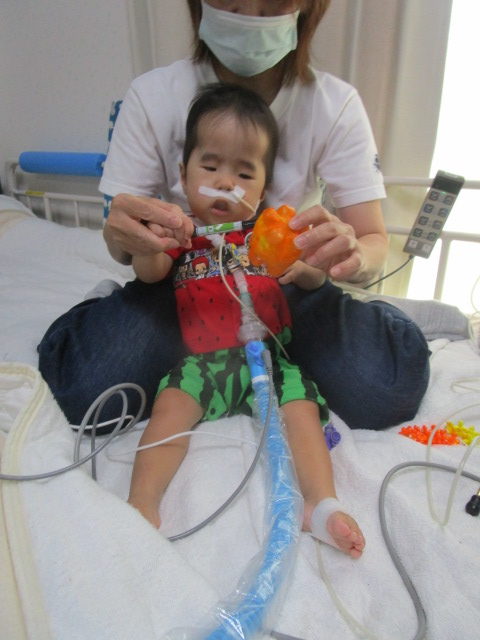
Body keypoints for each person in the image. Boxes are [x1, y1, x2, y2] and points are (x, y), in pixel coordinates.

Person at [38, 0, 429, 430]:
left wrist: (351, 257)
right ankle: (98, 308)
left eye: (270, 6)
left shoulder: (334, 104)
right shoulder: (152, 95)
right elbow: (129, 242)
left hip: (281, 281)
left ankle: (384, 319)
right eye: (234, 3)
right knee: (89, 392)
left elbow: (372, 241)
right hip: (184, 277)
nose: (250, 18)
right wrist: (130, 240)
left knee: (382, 390)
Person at [127, 82, 365, 557]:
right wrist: (151, 241)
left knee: (301, 412)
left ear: (263, 188)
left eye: (243, 173)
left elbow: (310, 278)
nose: (224, 183)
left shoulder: (269, 234)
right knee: (170, 409)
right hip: (204, 365)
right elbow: (149, 272)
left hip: (270, 361)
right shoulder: (182, 236)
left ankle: (320, 504)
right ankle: (141, 504)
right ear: (183, 175)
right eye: (210, 166)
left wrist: (308, 267)